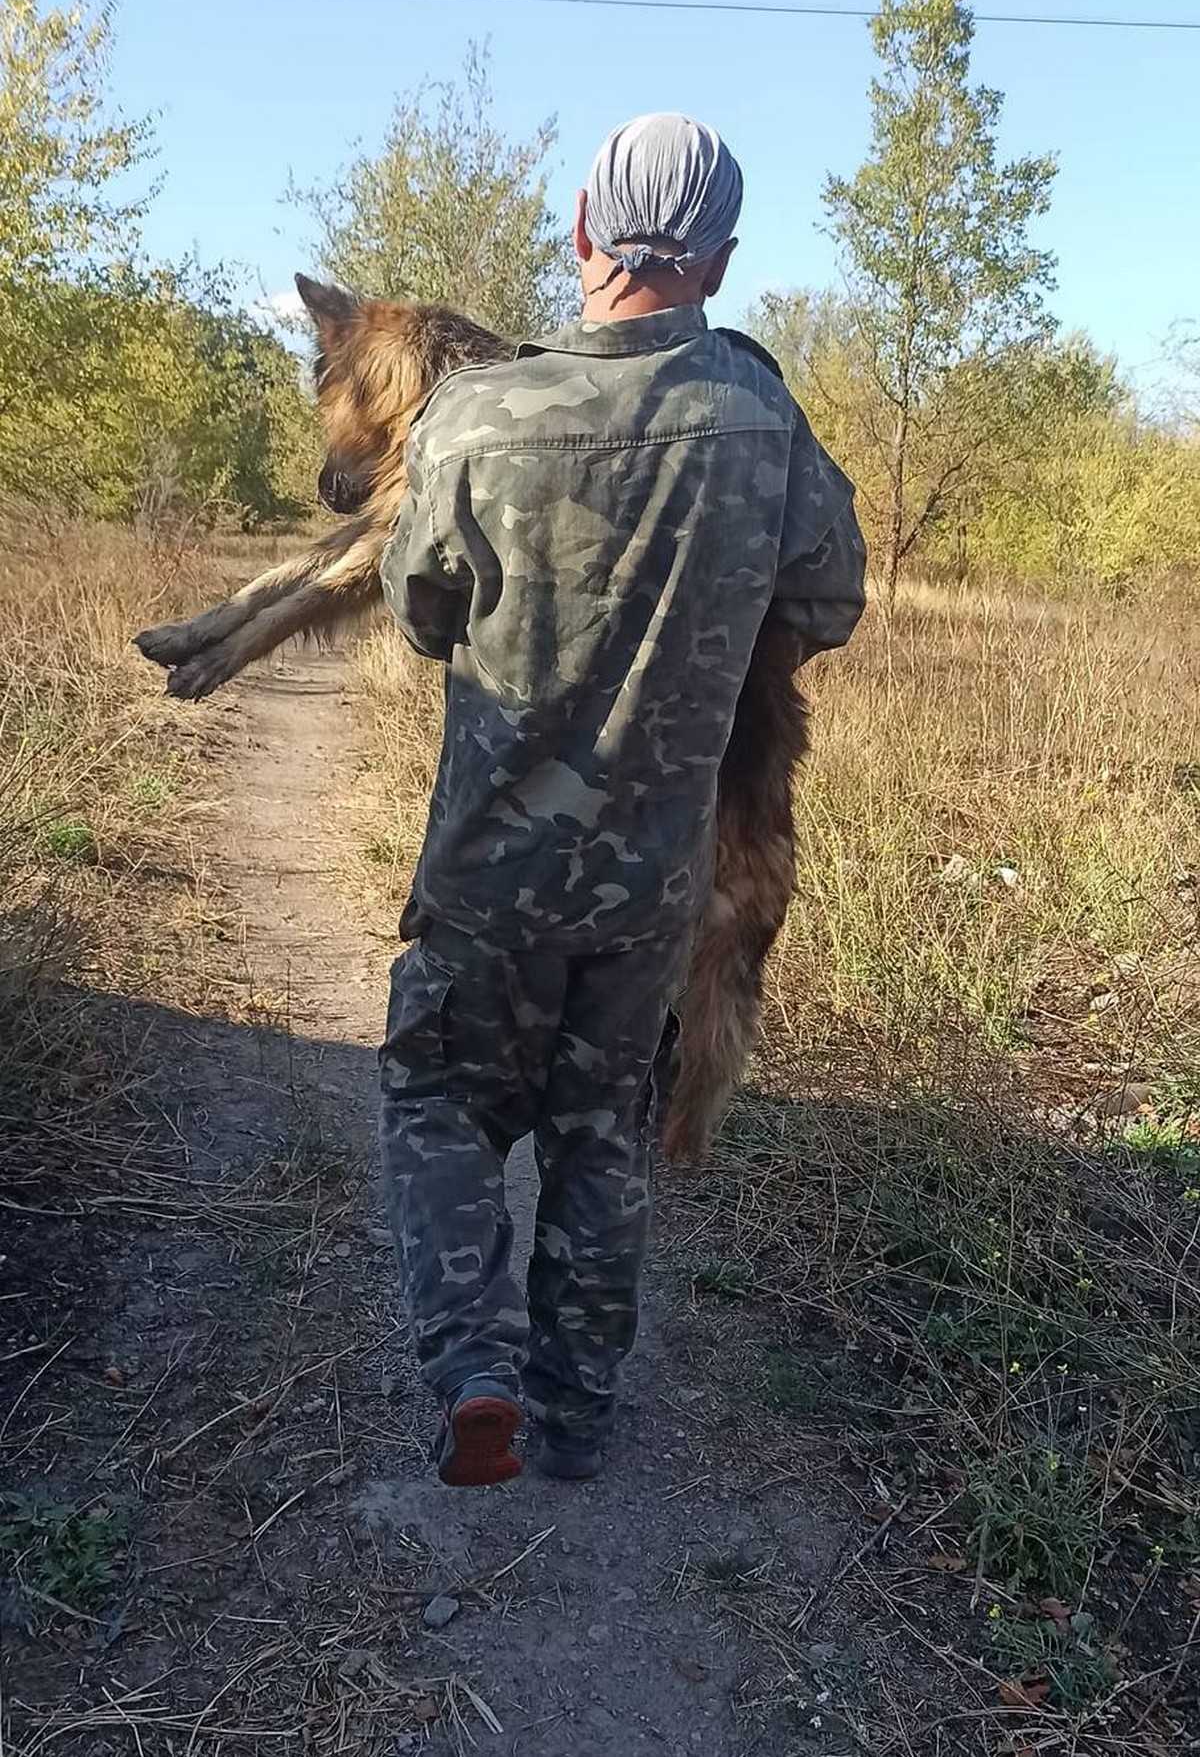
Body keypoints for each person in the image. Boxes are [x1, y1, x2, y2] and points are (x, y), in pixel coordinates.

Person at [377, 112, 866, 1486]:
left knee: (437, 1102)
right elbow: (830, 597)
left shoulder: (479, 414)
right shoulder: (761, 417)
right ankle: (577, 1417)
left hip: (485, 872)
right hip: (649, 882)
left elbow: (422, 615)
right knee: (601, 1134)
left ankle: (473, 1371)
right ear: (716, 262)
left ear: (583, 231)